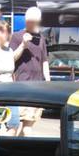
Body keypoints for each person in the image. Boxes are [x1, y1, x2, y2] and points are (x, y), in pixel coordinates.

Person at [9, 7, 49, 136]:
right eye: (31, 21)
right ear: (27, 21)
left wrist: (47, 80)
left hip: (38, 86)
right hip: (22, 86)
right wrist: (23, 45)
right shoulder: (16, 36)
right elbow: (11, 59)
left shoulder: (41, 38)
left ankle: (18, 149)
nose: (33, 24)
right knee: (22, 126)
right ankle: (25, 150)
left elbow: (44, 61)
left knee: (29, 124)